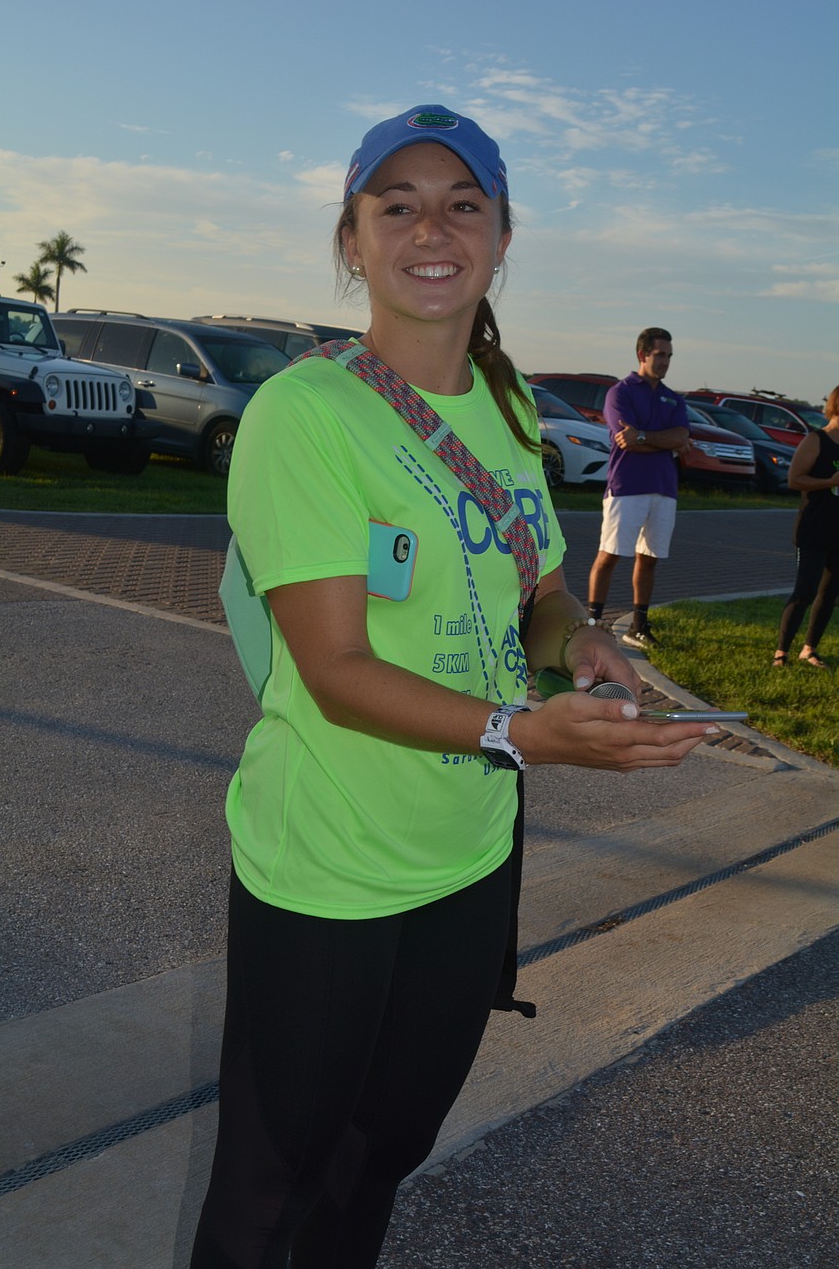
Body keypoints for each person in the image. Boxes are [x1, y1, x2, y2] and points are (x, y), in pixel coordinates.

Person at [190, 106, 719, 1269]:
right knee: (267, 1190)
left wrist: (579, 637)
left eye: (460, 203)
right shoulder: (306, 413)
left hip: (467, 859)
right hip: (327, 868)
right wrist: (525, 732)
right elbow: (332, 672)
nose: (431, 227)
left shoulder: (512, 407)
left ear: (500, 234)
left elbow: (537, 585)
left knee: (382, 1150)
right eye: (397, 206)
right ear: (354, 240)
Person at [587, 328, 691, 648]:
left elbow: (681, 439)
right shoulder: (620, 393)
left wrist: (644, 437)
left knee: (648, 558)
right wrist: (664, 441)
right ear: (642, 355)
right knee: (610, 555)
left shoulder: (674, 398)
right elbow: (626, 441)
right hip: (627, 486)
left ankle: (638, 627)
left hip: (664, 488)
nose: (665, 362)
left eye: (669, 356)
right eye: (660, 355)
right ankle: (592, 624)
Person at [773, 384, 839, 668]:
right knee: (805, 591)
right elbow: (795, 479)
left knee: (830, 593)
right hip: (814, 527)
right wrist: (829, 482)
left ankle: (809, 648)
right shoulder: (817, 440)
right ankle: (781, 653)